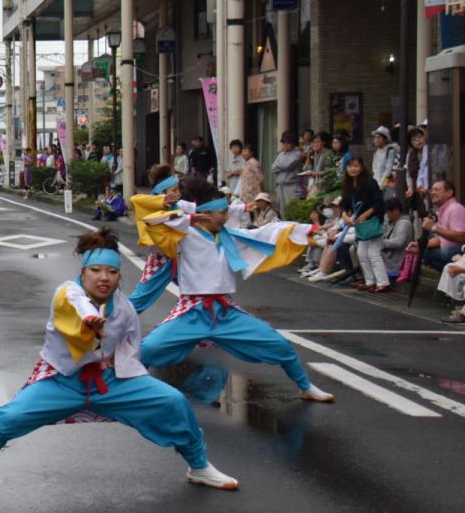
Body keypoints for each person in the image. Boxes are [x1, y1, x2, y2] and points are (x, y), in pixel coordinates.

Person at [0, 228, 238, 499]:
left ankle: (199, 467)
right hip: (63, 381)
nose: (104, 278)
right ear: (83, 271)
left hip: (113, 382)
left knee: (173, 403)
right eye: (96, 270)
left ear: (119, 276)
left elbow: (131, 347)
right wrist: (92, 320)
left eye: (112, 272)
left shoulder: (125, 308)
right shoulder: (67, 292)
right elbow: (76, 306)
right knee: (7, 419)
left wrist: (132, 375)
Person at [139, 177, 335, 403]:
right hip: (192, 311)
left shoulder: (232, 237)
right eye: (221, 212)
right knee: (148, 349)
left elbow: (270, 233)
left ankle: (305, 387)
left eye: (226, 211)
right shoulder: (183, 236)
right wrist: (190, 217)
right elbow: (152, 221)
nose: (226, 216)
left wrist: (308, 231)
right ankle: (135, 388)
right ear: (205, 214)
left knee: (280, 346)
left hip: (225, 312)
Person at [127, 165, 185, 313]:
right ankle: (112, 319)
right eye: (173, 190)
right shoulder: (154, 207)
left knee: (200, 291)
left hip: (182, 259)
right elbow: (135, 199)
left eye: (178, 189)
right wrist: (160, 200)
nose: (177, 193)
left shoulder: (180, 205)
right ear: (161, 194)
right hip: (162, 260)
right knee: (139, 299)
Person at [339, 157, 388, 292]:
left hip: (373, 221)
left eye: (356, 166)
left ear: (362, 167)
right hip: (360, 224)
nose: (352, 169)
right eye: (350, 166)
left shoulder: (370, 183)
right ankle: (370, 281)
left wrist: (365, 215)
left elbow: (379, 203)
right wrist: (344, 216)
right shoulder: (348, 185)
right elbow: (344, 204)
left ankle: (383, 283)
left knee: (373, 253)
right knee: (361, 253)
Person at [410, 179, 465, 272]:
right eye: (432, 190)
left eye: (437, 190)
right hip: (448, 251)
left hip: (459, 252)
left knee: (428, 253)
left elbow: (461, 237)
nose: (432, 193)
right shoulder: (441, 210)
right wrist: (420, 245)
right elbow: (440, 239)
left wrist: (433, 228)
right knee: (423, 251)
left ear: (449, 192)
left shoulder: (456, 209)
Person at [379, 197, 414, 285]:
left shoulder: (403, 223)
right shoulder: (394, 222)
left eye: (388, 212)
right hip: (391, 256)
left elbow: (399, 242)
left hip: (397, 260)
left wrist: (381, 243)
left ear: (396, 210)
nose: (387, 215)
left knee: (372, 253)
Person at [271, 131, 304, 215]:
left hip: (291, 185)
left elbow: (288, 165)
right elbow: (273, 168)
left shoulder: (297, 154)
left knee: (292, 209)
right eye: (284, 142)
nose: (286, 144)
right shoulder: (281, 154)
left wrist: (278, 165)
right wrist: (279, 165)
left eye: (288, 143)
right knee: (281, 210)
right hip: (280, 185)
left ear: (293, 143)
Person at [370, 126, 400, 197]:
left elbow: (388, 170)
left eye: (379, 137)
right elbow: (374, 170)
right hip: (377, 183)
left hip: (388, 183)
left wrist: (382, 184)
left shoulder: (390, 151)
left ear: (385, 139)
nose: (376, 140)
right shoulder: (376, 152)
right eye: (375, 137)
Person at [300, 131, 331, 198]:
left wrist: (315, 173)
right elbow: (311, 168)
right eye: (314, 142)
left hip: (326, 186)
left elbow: (330, 172)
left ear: (324, 142)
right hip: (316, 184)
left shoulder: (328, 153)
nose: (315, 144)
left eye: (317, 142)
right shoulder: (316, 154)